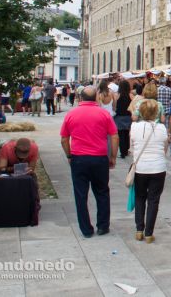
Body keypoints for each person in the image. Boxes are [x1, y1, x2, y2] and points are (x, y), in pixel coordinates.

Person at [60, 86, 119, 238]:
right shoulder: (104, 114)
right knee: (102, 192)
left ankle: (86, 229)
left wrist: (69, 155)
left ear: (80, 97)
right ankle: (103, 226)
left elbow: (64, 138)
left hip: (79, 158)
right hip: (99, 158)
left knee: (80, 194)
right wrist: (112, 156)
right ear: (96, 98)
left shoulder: (71, 114)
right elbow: (114, 136)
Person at [131, 99, 169, 243]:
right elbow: (165, 148)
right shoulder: (161, 128)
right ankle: (149, 233)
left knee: (139, 197)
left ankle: (139, 229)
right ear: (156, 113)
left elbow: (132, 145)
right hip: (158, 167)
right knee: (153, 200)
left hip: (140, 167)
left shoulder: (134, 127)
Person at [114, 80, 133, 158]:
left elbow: (114, 107)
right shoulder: (131, 95)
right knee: (127, 134)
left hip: (119, 117)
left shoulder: (117, 95)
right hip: (128, 117)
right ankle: (126, 150)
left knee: (120, 135)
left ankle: (122, 152)